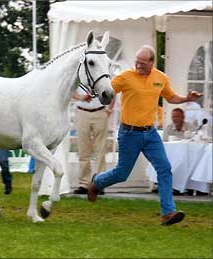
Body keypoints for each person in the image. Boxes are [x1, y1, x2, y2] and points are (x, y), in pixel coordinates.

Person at [87, 45, 203, 226]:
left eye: (142, 63)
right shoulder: (125, 77)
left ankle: (168, 213)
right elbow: (107, 92)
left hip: (150, 134)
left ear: (151, 62)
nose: (138, 66)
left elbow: (171, 98)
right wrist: (94, 92)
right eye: (137, 62)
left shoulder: (161, 78)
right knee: (121, 173)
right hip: (129, 134)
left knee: (164, 168)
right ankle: (97, 182)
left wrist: (187, 98)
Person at [72, 88, 111, 195]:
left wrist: (110, 109)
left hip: (100, 111)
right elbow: (71, 90)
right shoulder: (79, 74)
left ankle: (100, 183)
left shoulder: (103, 72)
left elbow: (112, 92)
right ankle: (84, 184)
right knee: (83, 150)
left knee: (101, 149)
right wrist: (81, 97)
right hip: (82, 112)